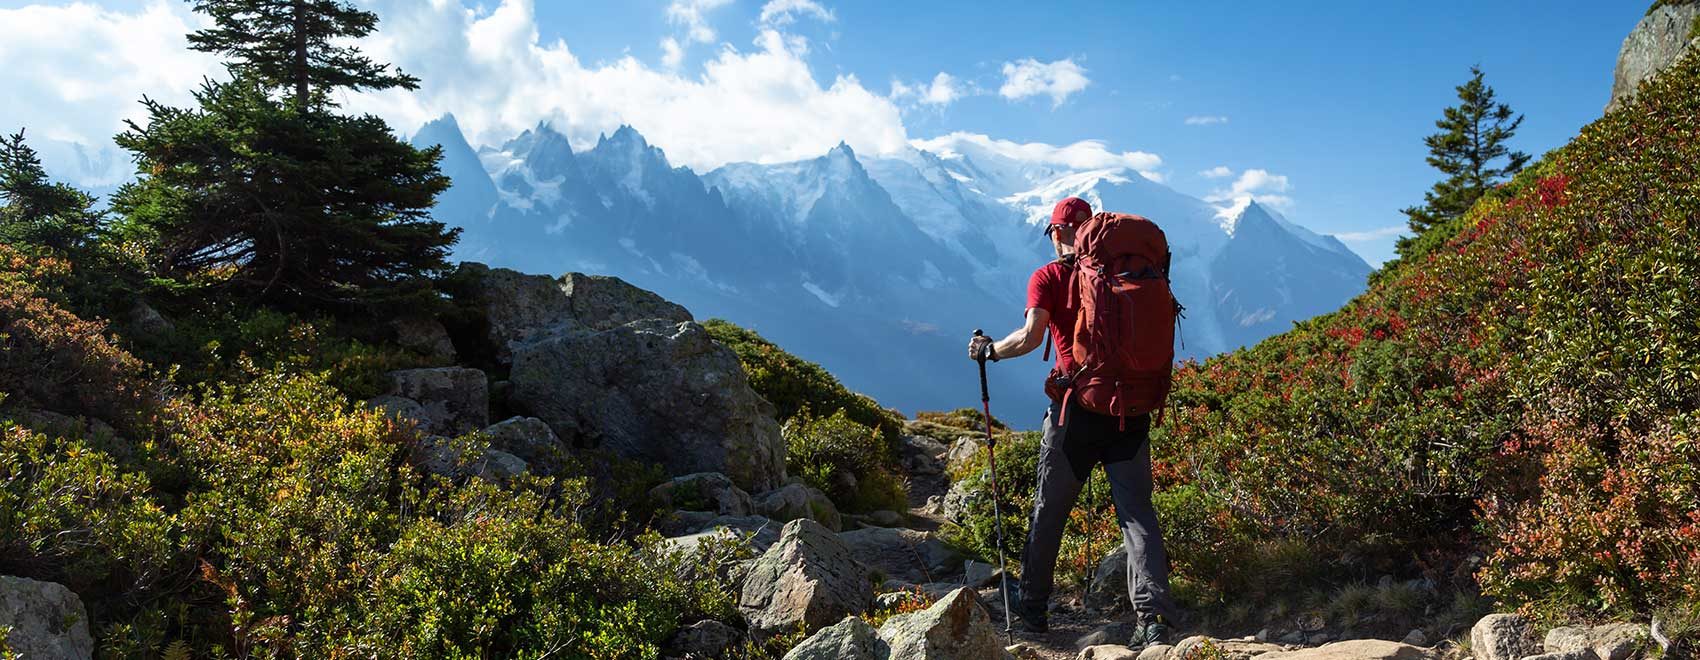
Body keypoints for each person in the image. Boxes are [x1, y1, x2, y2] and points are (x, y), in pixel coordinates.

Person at [967, 196, 1178, 648]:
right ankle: (1154, 619)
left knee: (1050, 511)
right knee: (1137, 515)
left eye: (1052, 231)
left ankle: (1033, 610)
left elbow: (1030, 337)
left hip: (1075, 413)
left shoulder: (1049, 276)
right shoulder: (1133, 270)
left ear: (1060, 232)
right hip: (1132, 409)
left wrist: (988, 350)